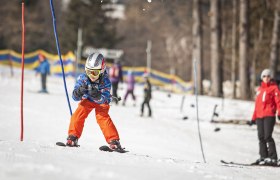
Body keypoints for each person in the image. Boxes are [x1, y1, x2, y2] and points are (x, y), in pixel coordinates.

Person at [66, 53, 123, 151]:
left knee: (102, 117)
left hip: (101, 101)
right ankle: (73, 136)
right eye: (88, 71)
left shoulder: (105, 81)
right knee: (79, 112)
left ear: (102, 71)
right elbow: (74, 97)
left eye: (95, 73)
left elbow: (104, 99)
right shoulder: (82, 78)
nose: (91, 75)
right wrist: (79, 92)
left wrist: (97, 95)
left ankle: (114, 141)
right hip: (88, 99)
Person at [251, 69, 280, 166]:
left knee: (268, 136)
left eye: (268, 76)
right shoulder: (259, 90)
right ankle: (263, 156)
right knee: (261, 137)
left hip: (269, 115)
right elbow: (257, 105)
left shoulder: (274, 88)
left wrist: (279, 112)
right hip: (259, 116)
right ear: (261, 78)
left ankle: (273, 158)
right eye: (264, 76)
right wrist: (253, 118)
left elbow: (278, 101)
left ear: (270, 77)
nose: (266, 78)